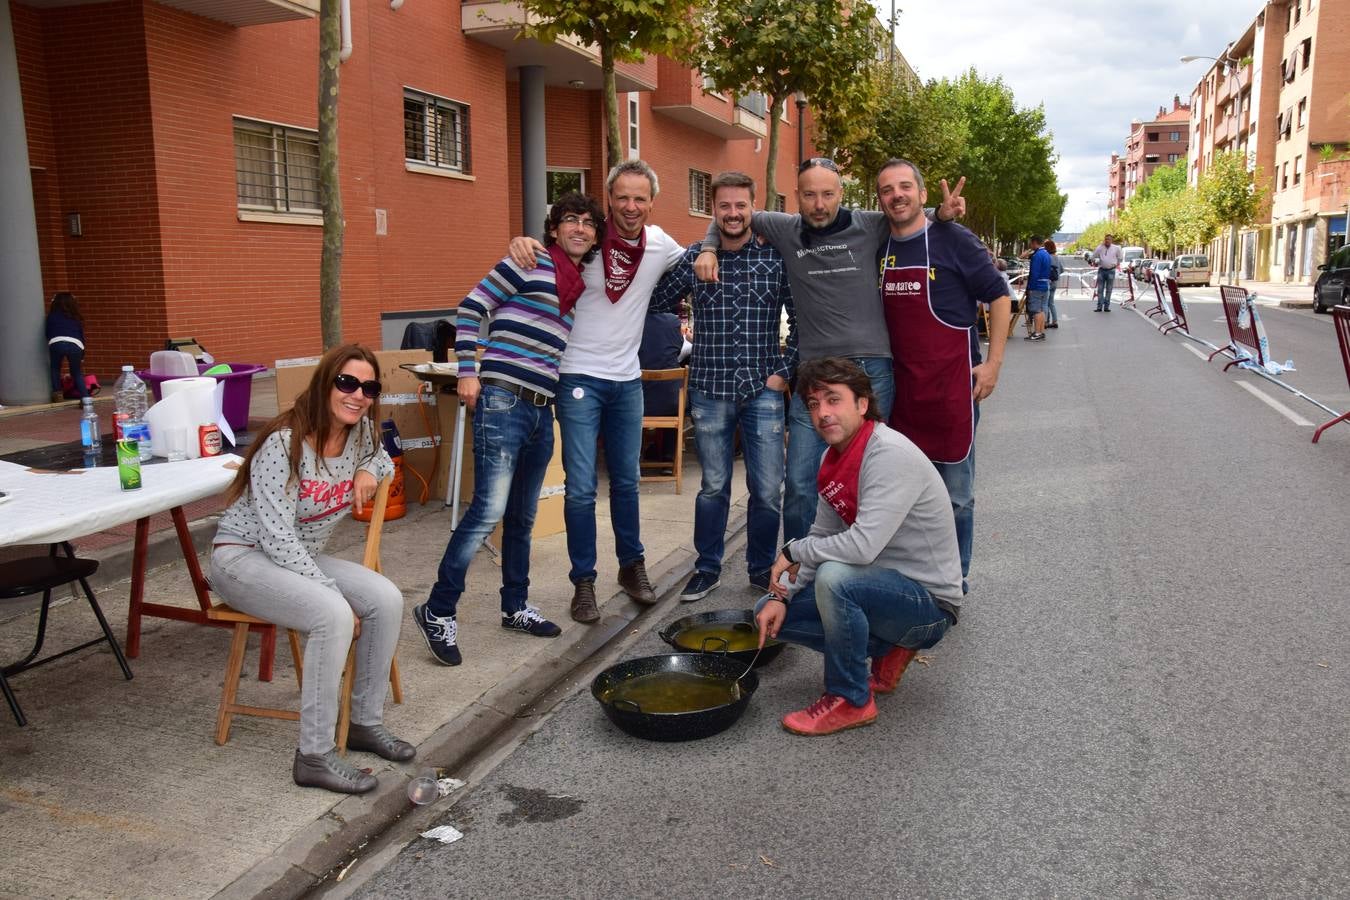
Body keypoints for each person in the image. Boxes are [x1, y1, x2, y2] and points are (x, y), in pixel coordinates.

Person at [693, 158, 965, 542]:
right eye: (809, 195)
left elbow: (906, 211)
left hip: (871, 369)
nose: (819, 204)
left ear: (841, 193)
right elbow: (733, 212)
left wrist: (943, 213)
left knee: (872, 474)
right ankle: (796, 570)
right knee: (801, 482)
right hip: (814, 374)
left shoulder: (868, 224)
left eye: (827, 194)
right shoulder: (784, 227)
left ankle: (869, 562)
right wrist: (708, 248)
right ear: (798, 196)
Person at [414, 193, 605, 667]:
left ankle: (515, 606)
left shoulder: (573, 281)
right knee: (488, 511)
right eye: (570, 220)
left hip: (542, 408)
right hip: (502, 398)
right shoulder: (527, 261)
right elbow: (469, 308)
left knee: (522, 517)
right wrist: (466, 370)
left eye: (588, 223)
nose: (579, 228)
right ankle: (437, 609)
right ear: (555, 228)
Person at [209, 344, 408, 794]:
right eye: (347, 383)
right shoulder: (284, 443)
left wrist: (369, 472)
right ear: (325, 383)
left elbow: (380, 457)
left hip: (298, 557)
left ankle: (362, 724)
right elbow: (276, 537)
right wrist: (332, 594)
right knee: (333, 615)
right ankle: (314, 755)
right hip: (242, 557)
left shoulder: (361, 436)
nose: (357, 394)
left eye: (369, 387)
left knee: (387, 598)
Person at [507, 161, 686, 623]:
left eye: (640, 198)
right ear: (609, 199)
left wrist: (707, 250)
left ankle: (632, 567)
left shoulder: (659, 245)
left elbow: (700, 253)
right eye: (622, 197)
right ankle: (583, 582)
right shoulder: (586, 242)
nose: (630, 206)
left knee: (627, 483)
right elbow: (542, 250)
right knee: (582, 489)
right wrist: (521, 240)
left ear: (651, 202)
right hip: (577, 378)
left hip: (628, 381)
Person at [754, 358, 962, 736]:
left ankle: (850, 699)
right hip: (883, 588)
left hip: (929, 604)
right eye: (814, 404)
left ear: (862, 404)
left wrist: (794, 550)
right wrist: (780, 597)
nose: (822, 413)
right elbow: (822, 537)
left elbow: (860, 548)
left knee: (836, 579)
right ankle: (887, 648)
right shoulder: (832, 459)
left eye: (834, 400)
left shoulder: (888, 454)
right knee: (767, 611)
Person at [651, 171, 797, 600]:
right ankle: (707, 567)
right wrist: (694, 265)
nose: (733, 214)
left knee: (768, 490)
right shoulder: (697, 257)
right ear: (713, 211)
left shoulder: (775, 257)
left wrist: (783, 372)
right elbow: (654, 298)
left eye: (741, 205)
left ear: (754, 207)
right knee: (713, 485)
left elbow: (804, 320)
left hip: (763, 389)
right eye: (724, 206)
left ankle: (758, 570)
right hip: (710, 389)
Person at [874, 158, 1010, 594]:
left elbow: (1000, 298)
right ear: (880, 200)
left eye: (904, 186)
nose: (897, 195)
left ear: (922, 193)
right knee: (907, 494)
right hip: (901, 394)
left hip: (952, 389)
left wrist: (993, 365)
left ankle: (955, 578)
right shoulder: (877, 244)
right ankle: (915, 572)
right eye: (887, 189)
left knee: (956, 496)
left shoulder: (953, 239)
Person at [46, 292, 88, 402]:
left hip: (56, 342)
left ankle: (58, 394)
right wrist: (82, 353)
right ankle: (85, 398)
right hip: (75, 344)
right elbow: (81, 335)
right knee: (76, 372)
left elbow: (48, 332)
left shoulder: (52, 316)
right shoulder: (75, 317)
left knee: (55, 368)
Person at [1024, 235, 1051, 342]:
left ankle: (1037, 332)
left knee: (1036, 310)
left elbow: (1034, 273)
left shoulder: (1037, 255)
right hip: (1044, 284)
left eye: (1031, 243)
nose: (1030, 245)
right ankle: (1041, 331)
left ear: (1035, 242)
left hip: (1037, 286)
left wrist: (1030, 287)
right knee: (1042, 309)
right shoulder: (1046, 254)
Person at [1092, 233, 1122, 311]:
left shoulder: (1116, 248)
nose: (1107, 241)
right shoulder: (1100, 247)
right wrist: (1095, 261)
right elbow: (1093, 256)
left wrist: (1116, 264)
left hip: (1111, 270)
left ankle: (1106, 307)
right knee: (1100, 289)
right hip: (1101, 270)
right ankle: (1099, 306)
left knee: (1109, 289)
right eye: (1106, 239)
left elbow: (1120, 258)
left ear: (1111, 240)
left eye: (1109, 239)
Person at [1044, 239, 1062, 328]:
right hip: (1055, 281)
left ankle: (1046, 321)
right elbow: (1061, 269)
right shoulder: (1056, 257)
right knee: (1051, 302)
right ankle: (1055, 321)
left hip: (1048, 281)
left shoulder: (1047, 257)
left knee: (1045, 302)